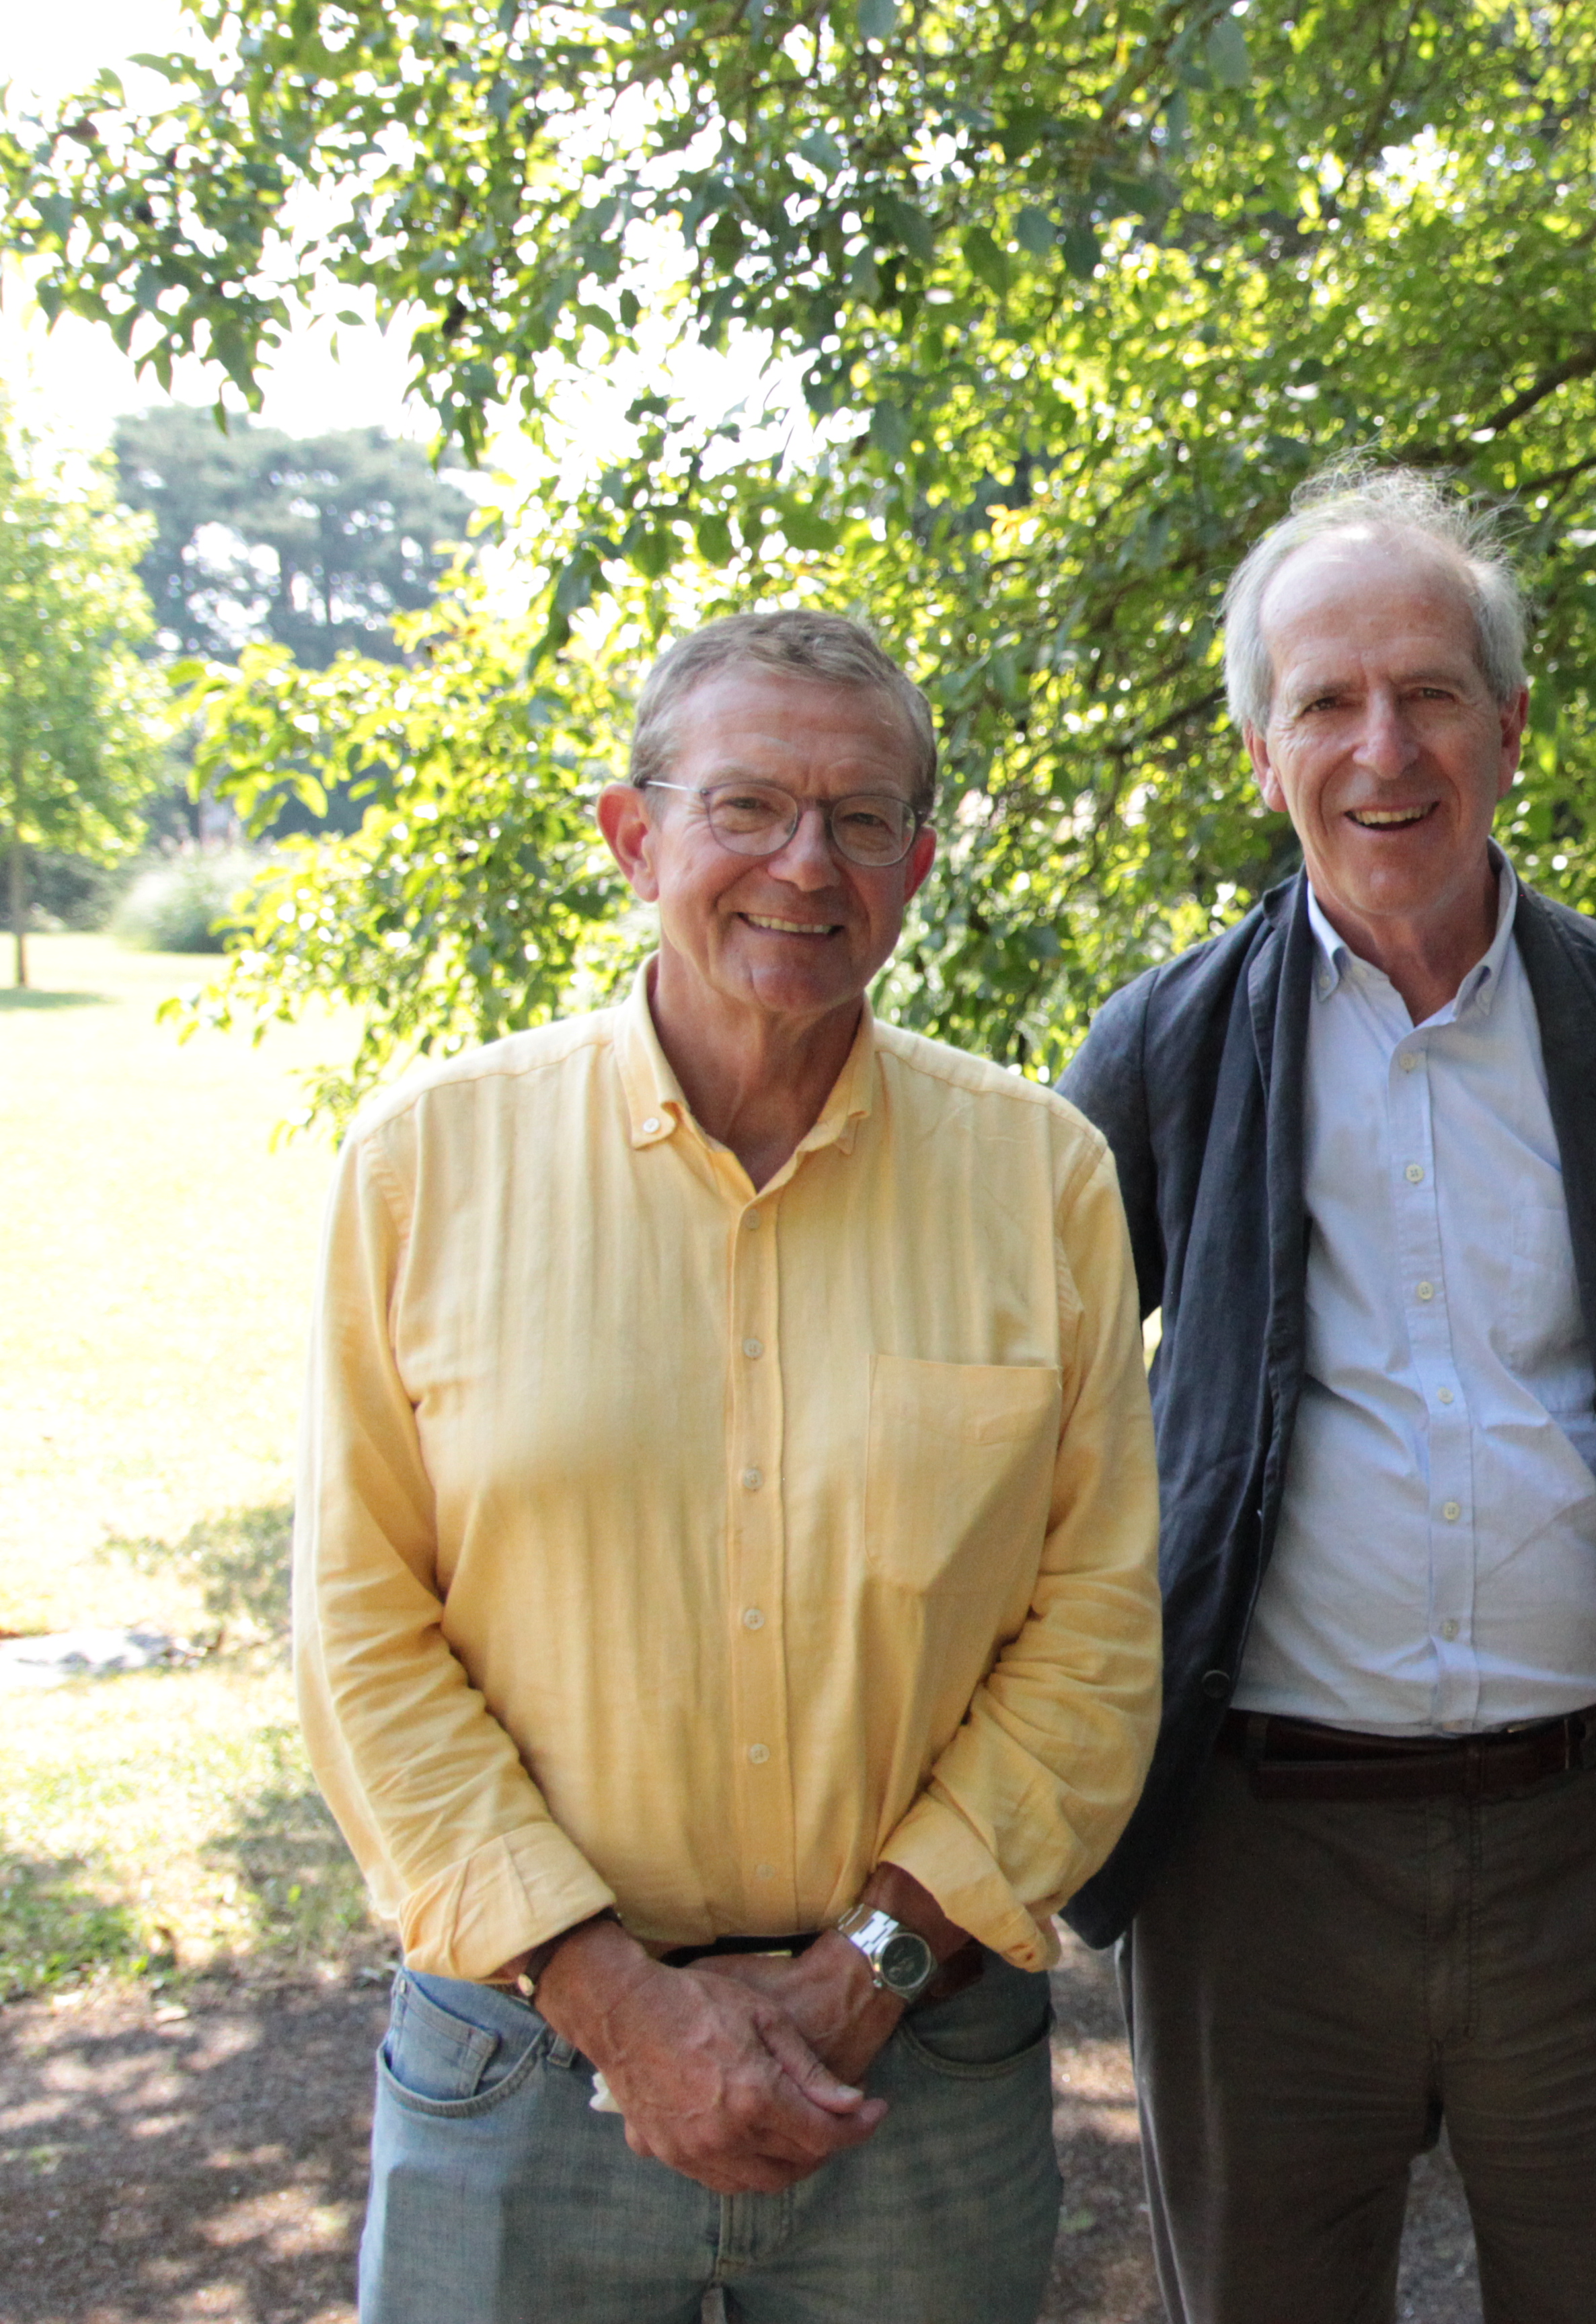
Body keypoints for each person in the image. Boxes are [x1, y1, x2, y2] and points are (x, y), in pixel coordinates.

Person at [296, 609, 1166, 2324]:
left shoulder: (1044, 1182)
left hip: (916, 2067)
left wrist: (863, 1979)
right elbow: (360, 1632)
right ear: (636, 837)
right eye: (747, 807)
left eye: (859, 820)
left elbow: (1095, 1628)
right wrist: (618, 2002)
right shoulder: (425, 1168)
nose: (804, 863)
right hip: (523, 2073)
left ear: (918, 865)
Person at [1055, 463, 1596, 2324]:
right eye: (1325, 701)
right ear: (1263, 751)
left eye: (1427, 694)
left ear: (1510, 727)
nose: (1379, 746)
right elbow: (1036, 1445)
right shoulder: (1161, 1051)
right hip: (1255, 1861)